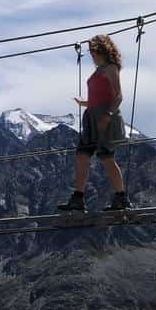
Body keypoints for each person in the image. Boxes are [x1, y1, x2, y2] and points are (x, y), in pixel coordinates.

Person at [57, 35, 130, 212]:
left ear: (101, 50)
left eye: (93, 52)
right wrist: (85, 103)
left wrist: (108, 114)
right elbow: (100, 96)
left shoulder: (111, 68)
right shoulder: (100, 70)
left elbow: (118, 96)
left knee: (106, 157)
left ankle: (121, 198)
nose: (92, 56)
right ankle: (78, 198)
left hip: (104, 117)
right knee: (83, 155)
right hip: (92, 116)